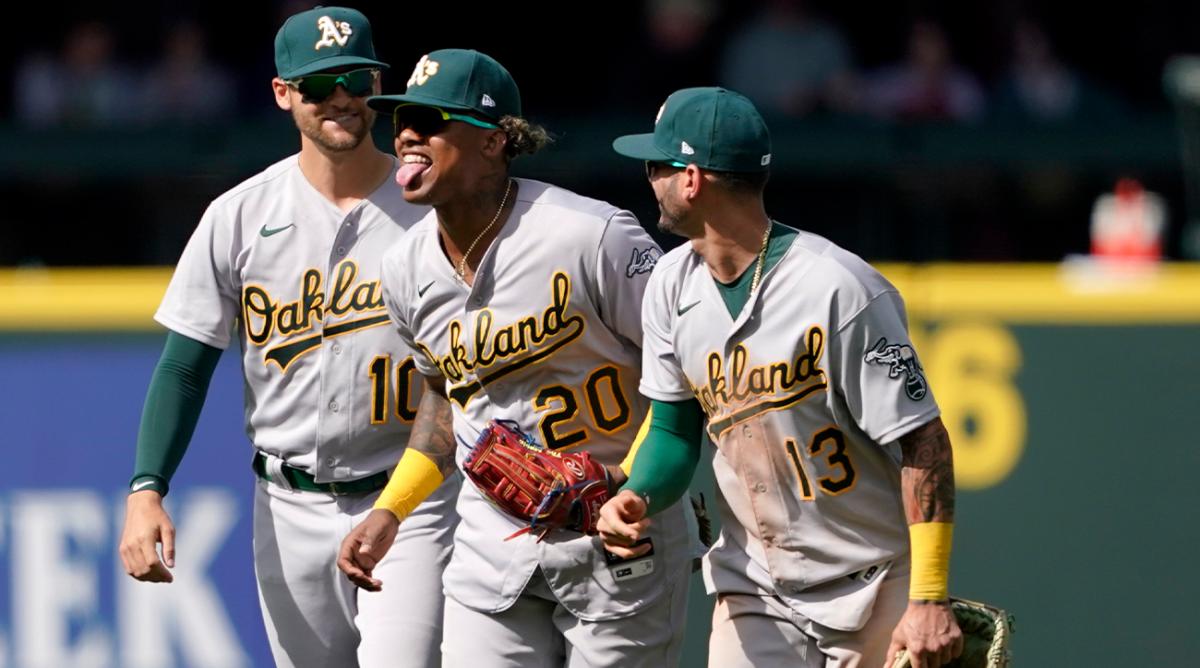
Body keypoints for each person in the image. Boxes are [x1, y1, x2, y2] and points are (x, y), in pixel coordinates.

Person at [116, 7, 459, 667]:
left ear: (379, 83)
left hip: (411, 497)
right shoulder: (240, 215)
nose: (340, 99)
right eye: (317, 85)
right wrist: (146, 488)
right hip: (287, 503)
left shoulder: (431, 207)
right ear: (283, 94)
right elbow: (185, 367)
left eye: (354, 80)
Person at [336, 48, 694, 667]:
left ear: (497, 140)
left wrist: (634, 485)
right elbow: (445, 401)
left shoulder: (591, 235)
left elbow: (687, 374)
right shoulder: (402, 267)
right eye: (402, 118)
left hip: (620, 538)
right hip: (492, 547)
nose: (409, 133)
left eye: (433, 119)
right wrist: (391, 510)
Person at [601, 87, 964, 667]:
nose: (650, 180)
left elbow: (925, 441)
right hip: (755, 585)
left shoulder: (839, 288)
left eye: (656, 165)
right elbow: (672, 431)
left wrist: (929, 596)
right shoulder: (669, 285)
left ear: (691, 179)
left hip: (871, 583)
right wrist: (636, 493)